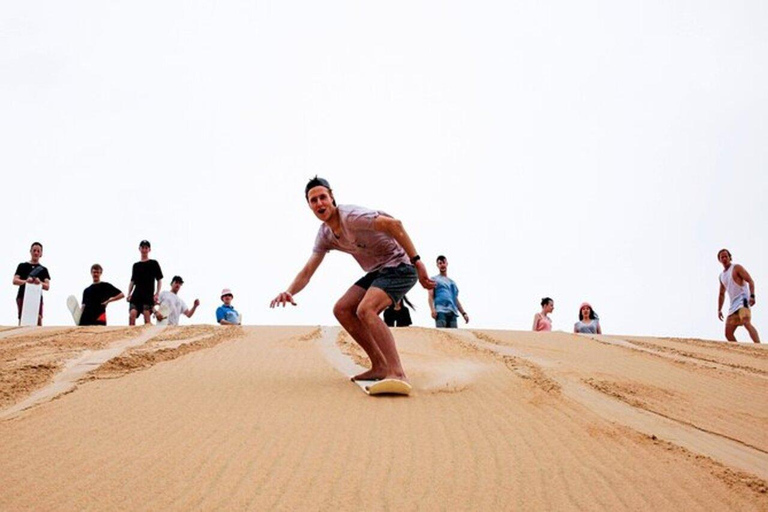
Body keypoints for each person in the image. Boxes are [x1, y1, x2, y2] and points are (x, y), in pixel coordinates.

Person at [270, 176, 435, 382]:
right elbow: (307, 272)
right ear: (309, 206)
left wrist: (417, 262)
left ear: (332, 198)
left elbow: (395, 224)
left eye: (323, 197)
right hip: (379, 271)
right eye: (314, 200)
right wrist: (289, 291)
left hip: (401, 265)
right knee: (342, 309)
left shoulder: (352, 217)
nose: (319, 203)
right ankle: (380, 366)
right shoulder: (325, 235)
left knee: (366, 309)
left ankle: (397, 372)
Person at [717, 249, 760, 343]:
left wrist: (752, 296)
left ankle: (759, 347)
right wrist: (719, 309)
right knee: (728, 333)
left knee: (746, 322)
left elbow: (750, 281)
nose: (724, 258)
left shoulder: (736, 268)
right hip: (733, 305)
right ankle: (739, 352)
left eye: (726, 256)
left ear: (729, 257)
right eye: (722, 257)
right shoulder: (721, 276)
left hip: (743, 300)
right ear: (719, 260)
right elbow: (721, 294)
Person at [12, 242, 51, 326]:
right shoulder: (22, 266)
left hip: (37, 297)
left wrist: (39, 282)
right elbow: (15, 281)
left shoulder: (44, 269)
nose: (36, 253)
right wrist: (26, 281)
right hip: (22, 295)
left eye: (38, 251)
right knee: (22, 318)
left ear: (41, 253)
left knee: (38, 318)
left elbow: (47, 286)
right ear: (30, 251)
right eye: (34, 250)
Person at [126, 240, 163, 325]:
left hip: (148, 296)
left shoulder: (154, 263)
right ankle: (130, 336)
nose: (144, 249)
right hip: (136, 295)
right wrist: (129, 294)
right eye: (142, 247)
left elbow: (159, 280)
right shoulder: (136, 266)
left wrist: (157, 293)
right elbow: (132, 281)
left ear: (149, 249)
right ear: (139, 249)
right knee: (132, 314)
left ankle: (146, 337)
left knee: (147, 319)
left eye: (146, 247)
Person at [428, 255, 469, 328]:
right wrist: (432, 309)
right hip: (440, 311)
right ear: (437, 265)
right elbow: (430, 296)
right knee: (442, 334)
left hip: (452, 312)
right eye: (440, 263)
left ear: (447, 263)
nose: (442, 265)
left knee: (453, 336)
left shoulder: (452, 283)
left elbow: (455, 300)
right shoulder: (434, 279)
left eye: (443, 262)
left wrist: (463, 313)